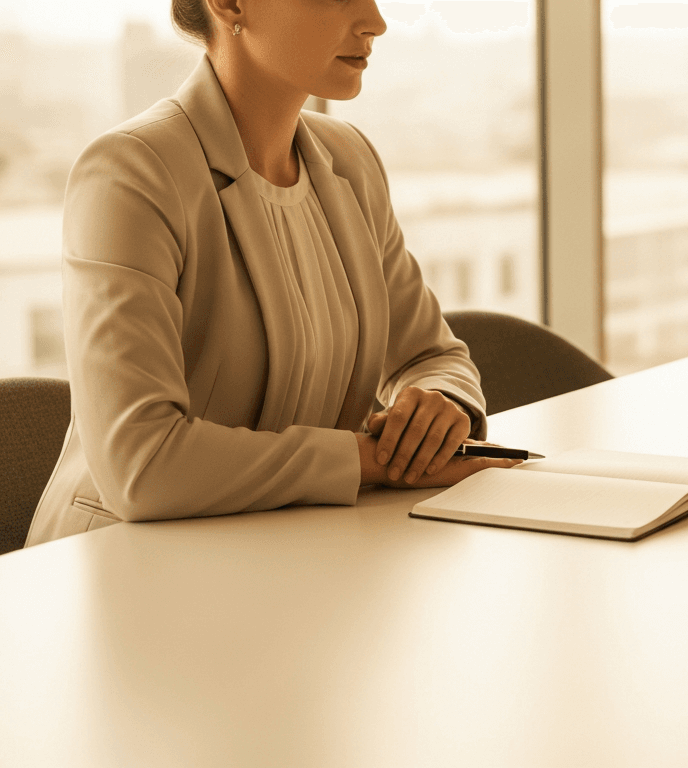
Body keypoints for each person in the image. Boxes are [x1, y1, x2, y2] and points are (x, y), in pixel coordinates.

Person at [27, 0, 519, 546]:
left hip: (291, 555)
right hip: (125, 569)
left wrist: (436, 407)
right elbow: (140, 463)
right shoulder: (131, 175)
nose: (375, 21)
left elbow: (431, 357)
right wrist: (368, 461)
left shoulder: (349, 160)